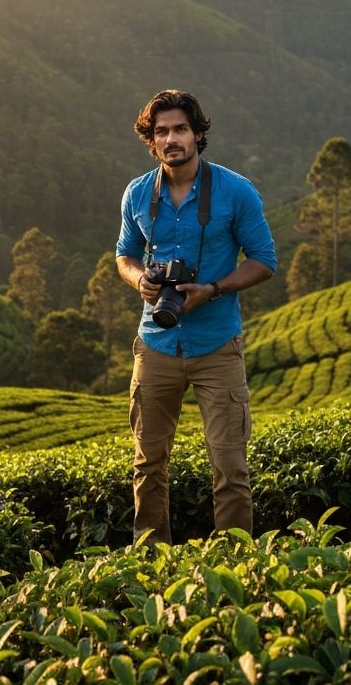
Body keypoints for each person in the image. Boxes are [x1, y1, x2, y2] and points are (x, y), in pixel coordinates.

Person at [115, 88, 276, 544]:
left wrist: (213, 289)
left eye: (180, 129)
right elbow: (123, 256)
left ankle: (234, 567)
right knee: (148, 465)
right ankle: (151, 563)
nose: (172, 139)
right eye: (162, 131)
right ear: (151, 141)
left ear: (198, 134)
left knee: (230, 466)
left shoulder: (235, 191)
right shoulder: (137, 194)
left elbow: (264, 260)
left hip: (217, 346)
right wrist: (139, 281)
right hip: (156, 344)